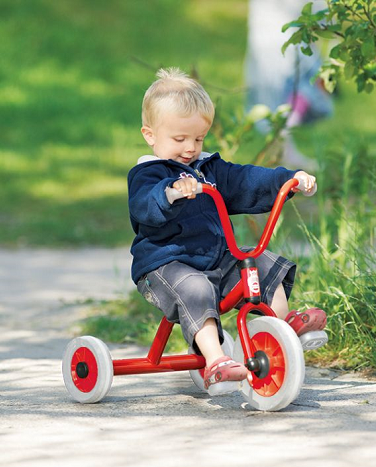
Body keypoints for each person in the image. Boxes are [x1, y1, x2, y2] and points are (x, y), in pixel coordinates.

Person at [128, 68, 326, 396]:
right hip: (164, 266)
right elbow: (145, 204)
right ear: (150, 134)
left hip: (216, 261)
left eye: (198, 138)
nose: (190, 148)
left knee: (259, 263)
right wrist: (173, 192)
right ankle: (216, 361)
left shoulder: (208, 169)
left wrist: (290, 178)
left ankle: (282, 325)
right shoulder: (147, 175)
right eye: (179, 139)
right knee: (194, 288)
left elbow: (248, 179)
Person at [245, 0, 333, 167]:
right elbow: (322, 15)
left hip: (263, 40)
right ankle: (286, 136)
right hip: (290, 41)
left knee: (280, 97)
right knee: (304, 89)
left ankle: (286, 149)